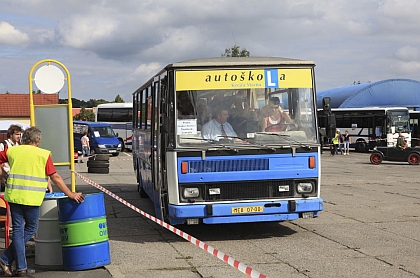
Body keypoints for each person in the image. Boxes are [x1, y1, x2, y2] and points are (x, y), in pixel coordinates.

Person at [0, 126, 84, 277]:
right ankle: (13, 263)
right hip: (31, 198)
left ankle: (15, 265)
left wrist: (2, 176)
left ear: (25, 139)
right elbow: (55, 177)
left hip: (14, 196)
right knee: (31, 228)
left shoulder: (12, 150)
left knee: (18, 230)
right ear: (37, 140)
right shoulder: (43, 154)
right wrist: (71, 194)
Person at [0, 125, 22, 192]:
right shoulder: (3, 144)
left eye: (20, 134)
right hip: (5, 176)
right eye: (17, 134)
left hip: (16, 176)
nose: (19, 136)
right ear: (11, 135)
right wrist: (2, 178)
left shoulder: (19, 146)